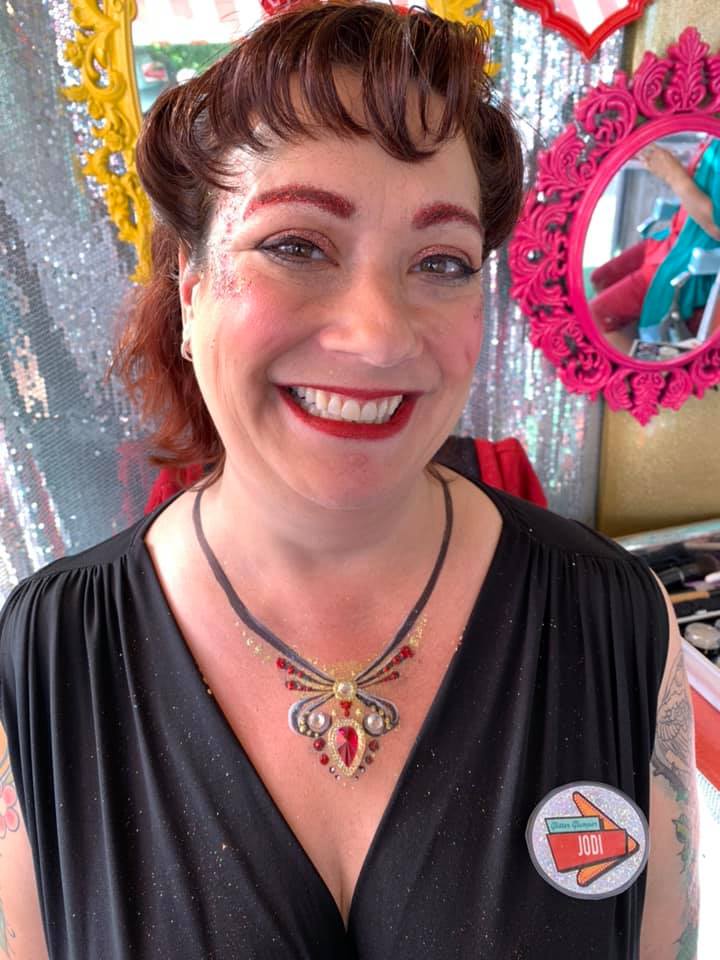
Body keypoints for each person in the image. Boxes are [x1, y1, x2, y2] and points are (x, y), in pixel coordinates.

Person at [0, 3, 699, 958]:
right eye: (296, 245)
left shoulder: (617, 622)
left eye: (441, 261)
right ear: (192, 293)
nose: (377, 336)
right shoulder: (46, 659)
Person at [589, 137, 720, 352]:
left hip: (690, 255)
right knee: (600, 278)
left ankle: (654, 368)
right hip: (673, 237)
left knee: (595, 317)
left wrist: (673, 174)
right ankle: (640, 346)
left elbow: (716, 226)